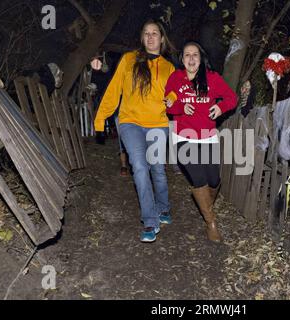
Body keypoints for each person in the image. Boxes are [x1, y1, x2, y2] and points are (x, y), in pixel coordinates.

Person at [94, 20, 175, 243]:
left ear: (162, 38)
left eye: (155, 33)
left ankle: (164, 207)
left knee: (157, 170)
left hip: (158, 123)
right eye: (146, 33)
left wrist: (173, 99)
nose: (150, 37)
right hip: (130, 122)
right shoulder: (129, 59)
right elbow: (113, 90)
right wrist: (101, 118)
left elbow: (176, 92)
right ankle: (150, 220)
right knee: (139, 167)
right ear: (142, 38)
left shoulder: (169, 68)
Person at [164, 41, 237, 243]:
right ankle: (210, 222)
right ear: (182, 59)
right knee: (199, 179)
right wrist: (180, 107)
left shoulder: (212, 78)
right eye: (187, 55)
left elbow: (232, 98)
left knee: (213, 180)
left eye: (194, 54)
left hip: (207, 137)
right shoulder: (176, 79)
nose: (191, 58)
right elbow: (169, 104)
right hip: (183, 138)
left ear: (200, 57)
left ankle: (206, 205)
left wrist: (221, 108)